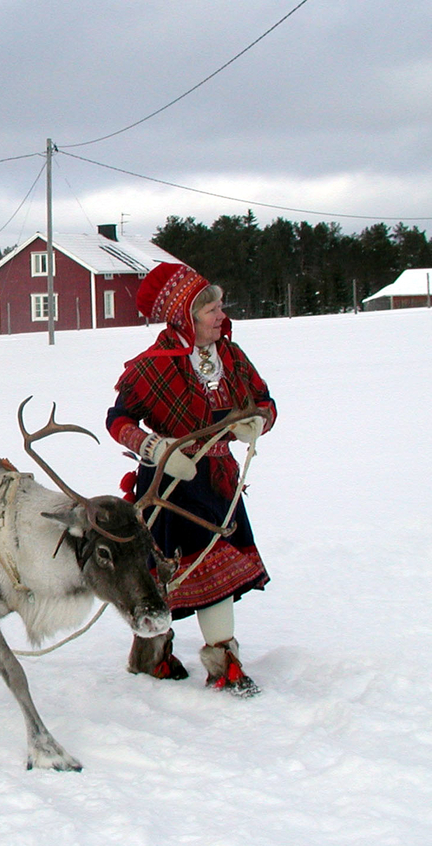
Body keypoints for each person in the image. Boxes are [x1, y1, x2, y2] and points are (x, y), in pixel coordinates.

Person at [106, 262, 277, 696]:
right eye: (211, 310)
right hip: (169, 486)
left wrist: (256, 423)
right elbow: (118, 419)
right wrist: (155, 449)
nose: (221, 316)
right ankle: (163, 655)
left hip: (220, 482)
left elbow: (264, 401)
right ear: (186, 315)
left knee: (213, 569)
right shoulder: (153, 367)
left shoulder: (232, 357)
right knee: (168, 574)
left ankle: (219, 661)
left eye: (221, 307)